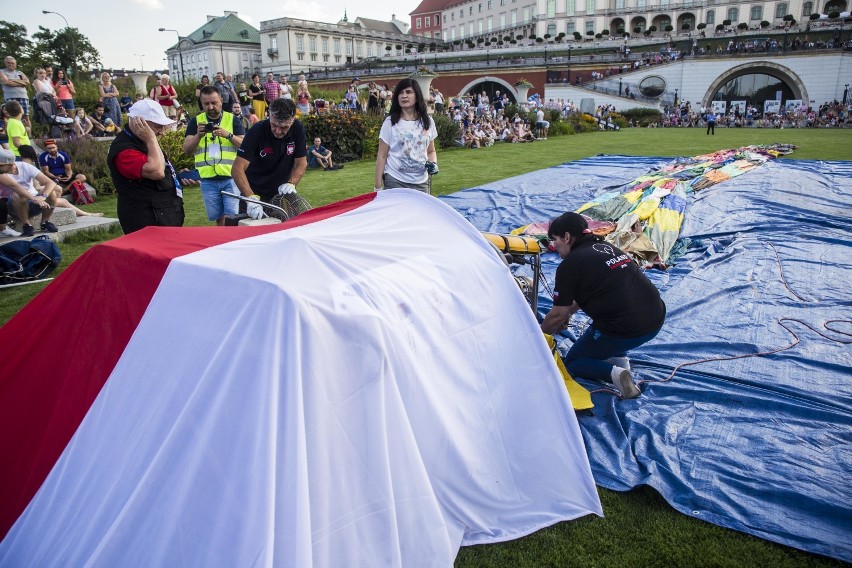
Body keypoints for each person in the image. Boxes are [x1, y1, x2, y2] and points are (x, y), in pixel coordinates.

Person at [540, 212, 666, 399]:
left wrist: (538, 338)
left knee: (575, 360)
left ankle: (614, 374)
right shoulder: (606, 247)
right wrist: (568, 314)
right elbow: (582, 299)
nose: (554, 246)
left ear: (567, 237)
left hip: (627, 329)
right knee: (615, 315)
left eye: (555, 239)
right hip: (655, 318)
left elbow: (557, 314)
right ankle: (620, 363)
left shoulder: (570, 265)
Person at [107, 99, 187, 234]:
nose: (161, 131)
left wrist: (175, 177)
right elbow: (156, 171)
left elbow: (160, 168)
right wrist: (151, 139)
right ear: (139, 123)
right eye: (157, 126)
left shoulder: (142, 141)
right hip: (147, 221)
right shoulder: (125, 150)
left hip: (163, 216)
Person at [232, 97, 307, 219]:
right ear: (269, 116)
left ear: (292, 120)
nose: (277, 131)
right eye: (274, 125)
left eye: (284, 128)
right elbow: (237, 169)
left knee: (290, 230)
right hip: (255, 193)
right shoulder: (257, 131)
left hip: (283, 194)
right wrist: (251, 199)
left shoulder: (297, 129)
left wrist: (291, 183)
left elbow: (301, 163)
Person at [181, 86, 245, 226]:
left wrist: (228, 135)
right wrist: (198, 135)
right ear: (201, 103)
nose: (210, 107)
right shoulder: (195, 122)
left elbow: (244, 146)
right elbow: (186, 149)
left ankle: (232, 243)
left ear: (221, 101)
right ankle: (222, 242)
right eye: (206, 103)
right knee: (218, 217)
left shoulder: (232, 120)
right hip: (207, 179)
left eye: (214, 102)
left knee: (232, 216)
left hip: (231, 177)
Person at [374, 79, 438, 193]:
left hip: (421, 182)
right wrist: (377, 187)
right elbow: (382, 155)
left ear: (417, 95)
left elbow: (431, 151)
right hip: (395, 180)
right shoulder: (390, 122)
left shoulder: (428, 121)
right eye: (400, 93)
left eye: (408, 92)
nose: (404, 96)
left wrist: (433, 164)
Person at [18, 144, 101, 218]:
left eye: (53, 147)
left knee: (57, 188)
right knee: (61, 196)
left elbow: (68, 169)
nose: (52, 150)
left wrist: (68, 176)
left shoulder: (18, 165)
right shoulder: (30, 166)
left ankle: (55, 206)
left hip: (27, 194)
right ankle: (85, 214)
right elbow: (35, 186)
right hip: (30, 197)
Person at [0, 146, 59, 237]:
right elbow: (15, 186)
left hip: (32, 202)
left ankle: (45, 222)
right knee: (19, 194)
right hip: (12, 205)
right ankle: (27, 225)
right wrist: (35, 198)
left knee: (52, 192)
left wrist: (43, 196)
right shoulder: (2, 174)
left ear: (10, 164)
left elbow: (50, 182)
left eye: (1, 165)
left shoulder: (25, 166)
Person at [0, 56, 31, 130]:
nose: (10, 64)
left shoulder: (19, 72)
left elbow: (27, 82)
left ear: (15, 64)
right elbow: (6, 82)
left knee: (26, 116)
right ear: (5, 63)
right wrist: (21, 82)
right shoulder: (2, 71)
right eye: (8, 63)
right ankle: (14, 133)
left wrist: (12, 80)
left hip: (23, 96)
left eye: (12, 63)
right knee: (11, 116)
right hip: (10, 96)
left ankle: (29, 136)